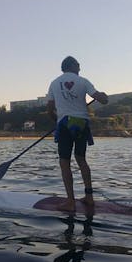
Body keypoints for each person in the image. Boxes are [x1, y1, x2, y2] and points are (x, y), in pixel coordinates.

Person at [46, 56, 108, 212]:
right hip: (81, 124)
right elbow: (102, 100)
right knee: (81, 159)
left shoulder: (54, 83)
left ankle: (70, 201)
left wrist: (56, 120)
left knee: (64, 161)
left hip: (65, 123)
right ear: (72, 66)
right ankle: (89, 197)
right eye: (78, 65)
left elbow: (49, 108)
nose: (80, 68)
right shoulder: (84, 81)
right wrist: (104, 95)